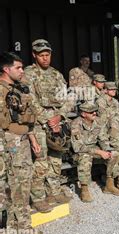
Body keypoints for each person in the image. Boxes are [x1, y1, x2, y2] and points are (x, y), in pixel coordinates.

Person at [24, 39, 74, 210]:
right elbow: (29, 101)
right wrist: (48, 120)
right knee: (40, 161)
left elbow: (69, 98)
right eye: (41, 55)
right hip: (39, 124)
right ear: (34, 55)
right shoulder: (28, 74)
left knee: (56, 158)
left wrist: (59, 116)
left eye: (47, 55)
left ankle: (53, 191)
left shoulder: (56, 74)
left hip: (57, 122)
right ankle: (38, 198)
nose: (45, 58)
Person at [0, 51, 43, 234]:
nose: (21, 71)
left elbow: (27, 118)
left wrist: (32, 139)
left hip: (23, 141)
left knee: (24, 183)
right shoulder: (1, 90)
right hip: (8, 143)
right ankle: (11, 230)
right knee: (11, 186)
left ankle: (23, 224)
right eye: (17, 67)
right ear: (5, 69)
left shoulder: (19, 89)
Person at [70, 101, 112, 202]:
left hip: (94, 148)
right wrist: (99, 152)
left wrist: (107, 150)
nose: (94, 113)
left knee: (114, 154)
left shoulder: (98, 121)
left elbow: (103, 139)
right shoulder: (76, 124)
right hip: (78, 152)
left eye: (95, 111)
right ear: (83, 114)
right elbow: (78, 147)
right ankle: (84, 189)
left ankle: (109, 183)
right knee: (85, 157)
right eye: (91, 112)